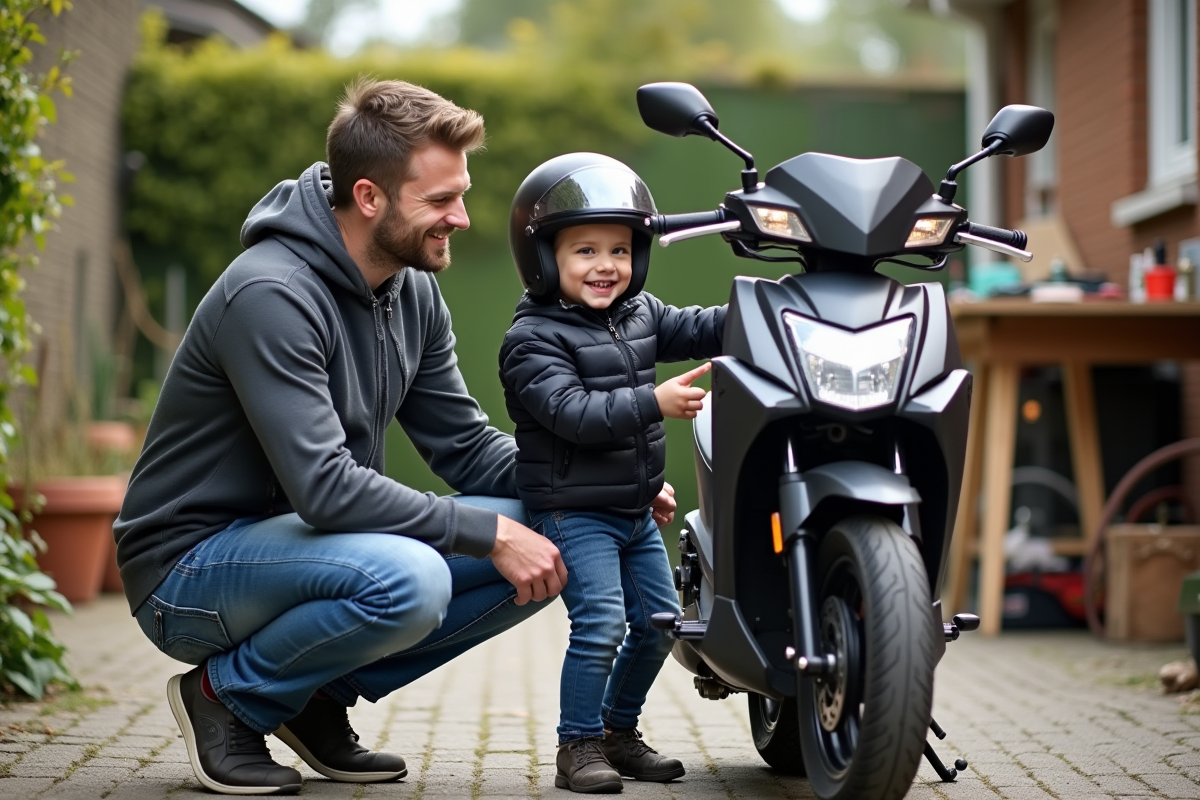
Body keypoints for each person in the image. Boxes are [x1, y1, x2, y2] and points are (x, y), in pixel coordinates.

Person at [112, 78, 579, 796]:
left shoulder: (411, 289)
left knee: (559, 531)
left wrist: (599, 479)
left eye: (462, 193)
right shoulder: (271, 293)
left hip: (307, 548)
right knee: (411, 579)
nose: (461, 217)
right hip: (189, 571)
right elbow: (325, 488)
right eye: (440, 200)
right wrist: (486, 533)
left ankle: (311, 695)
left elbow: (465, 447)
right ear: (369, 197)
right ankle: (225, 700)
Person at [500, 153, 726, 794]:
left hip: (633, 508)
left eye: (621, 251)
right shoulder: (532, 340)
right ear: (544, 259)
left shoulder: (641, 313)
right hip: (573, 513)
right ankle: (578, 746)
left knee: (659, 625)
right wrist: (655, 403)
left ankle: (619, 734)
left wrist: (771, 307)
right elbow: (573, 416)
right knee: (599, 623)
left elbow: (701, 327)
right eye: (586, 251)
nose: (607, 266)